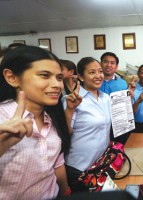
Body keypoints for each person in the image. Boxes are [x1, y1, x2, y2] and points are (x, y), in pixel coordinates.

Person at [0, 45, 71, 199]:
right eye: (45, 75)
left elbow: (57, 164)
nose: (57, 85)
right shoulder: (2, 119)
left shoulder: (52, 117)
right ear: (12, 78)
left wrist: (66, 192)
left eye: (59, 78)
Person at [62, 57, 111, 192]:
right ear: (81, 77)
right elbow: (64, 135)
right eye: (92, 72)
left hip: (100, 163)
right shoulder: (71, 100)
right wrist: (70, 110)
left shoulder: (105, 98)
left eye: (100, 71)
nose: (98, 76)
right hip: (79, 167)